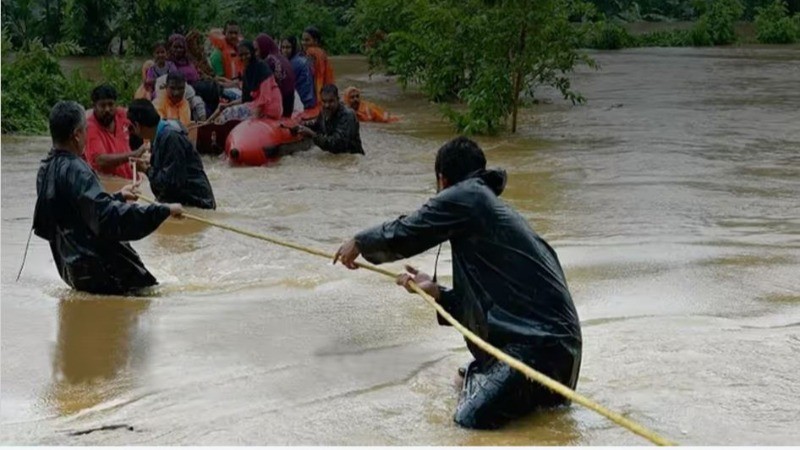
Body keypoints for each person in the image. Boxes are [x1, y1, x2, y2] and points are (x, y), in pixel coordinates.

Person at [333, 137, 582, 430]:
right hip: (558, 351)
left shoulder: (468, 196)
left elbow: (409, 230)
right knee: (463, 381)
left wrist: (360, 242)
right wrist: (438, 293)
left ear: (442, 180)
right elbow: (491, 307)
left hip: (538, 350)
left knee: (468, 421)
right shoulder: (483, 209)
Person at [33, 100, 184, 295]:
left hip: (73, 272)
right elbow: (107, 218)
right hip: (105, 273)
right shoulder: (77, 169)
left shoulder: (45, 169)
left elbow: (78, 212)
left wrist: (119, 197)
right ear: (77, 135)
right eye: (85, 130)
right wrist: (163, 210)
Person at [127, 99, 216, 210]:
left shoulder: (170, 138)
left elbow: (171, 184)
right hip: (184, 203)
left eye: (131, 127)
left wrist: (147, 170)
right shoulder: (159, 135)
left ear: (137, 125)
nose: (131, 131)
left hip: (197, 205)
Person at [206, 40, 282, 124]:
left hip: (270, 106)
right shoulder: (247, 71)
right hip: (255, 105)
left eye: (246, 54)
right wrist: (228, 105)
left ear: (252, 52)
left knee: (229, 113)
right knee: (226, 110)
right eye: (241, 55)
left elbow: (265, 97)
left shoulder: (262, 68)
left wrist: (254, 119)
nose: (244, 57)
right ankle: (209, 125)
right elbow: (245, 98)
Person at [84, 84, 147, 179]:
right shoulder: (90, 127)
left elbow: (143, 122)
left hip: (129, 179)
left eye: (110, 104)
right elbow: (100, 160)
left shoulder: (121, 114)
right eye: (102, 105)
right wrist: (134, 154)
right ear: (94, 106)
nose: (107, 109)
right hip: (107, 183)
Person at [292, 84, 363, 155]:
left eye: (331, 101)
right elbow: (316, 125)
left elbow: (337, 145)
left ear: (338, 99)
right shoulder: (324, 111)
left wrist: (312, 134)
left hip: (351, 159)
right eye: (324, 101)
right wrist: (300, 126)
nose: (327, 105)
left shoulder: (348, 115)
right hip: (335, 158)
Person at [255, 33, 296, 118]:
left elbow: (264, 92)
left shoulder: (267, 62)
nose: (256, 54)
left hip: (277, 108)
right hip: (289, 108)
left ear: (263, 48)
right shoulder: (282, 58)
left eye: (257, 50)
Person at [281, 36, 316, 110]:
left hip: (304, 102)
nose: (285, 50)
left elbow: (283, 84)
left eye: (288, 47)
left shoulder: (295, 63)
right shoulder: (299, 58)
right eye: (283, 47)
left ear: (293, 48)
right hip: (309, 99)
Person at [301, 26, 335, 102]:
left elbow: (310, 76)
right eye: (302, 40)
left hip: (318, 94)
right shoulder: (322, 53)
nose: (303, 43)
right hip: (329, 91)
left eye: (307, 40)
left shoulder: (311, 52)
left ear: (316, 41)